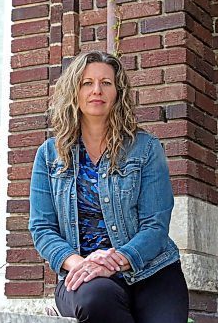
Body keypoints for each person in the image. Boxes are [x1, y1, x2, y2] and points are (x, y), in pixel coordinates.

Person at [28, 50, 189, 323]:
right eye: (87, 83)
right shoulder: (49, 155)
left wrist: (115, 261)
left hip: (151, 270)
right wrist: (83, 264)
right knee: (95, 300)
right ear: (74, 91)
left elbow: (156, 225)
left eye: (106, 83)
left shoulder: (146, 148)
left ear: (117, 92)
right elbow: (42, 228)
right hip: (84, 275)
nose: (96, 90)